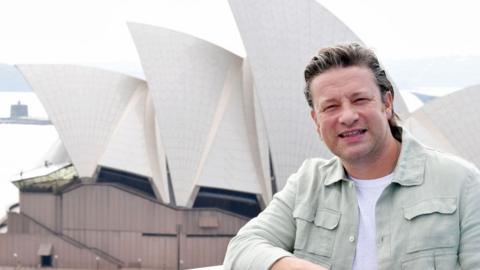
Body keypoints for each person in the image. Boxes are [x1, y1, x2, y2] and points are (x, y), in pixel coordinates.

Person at [223, 43, 480, 270]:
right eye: (331, 106)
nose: (347, 116)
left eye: (359, 100)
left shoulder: (461, 183)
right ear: (316, 120)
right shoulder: (307, 185)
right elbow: (242, 248)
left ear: (387, 103)